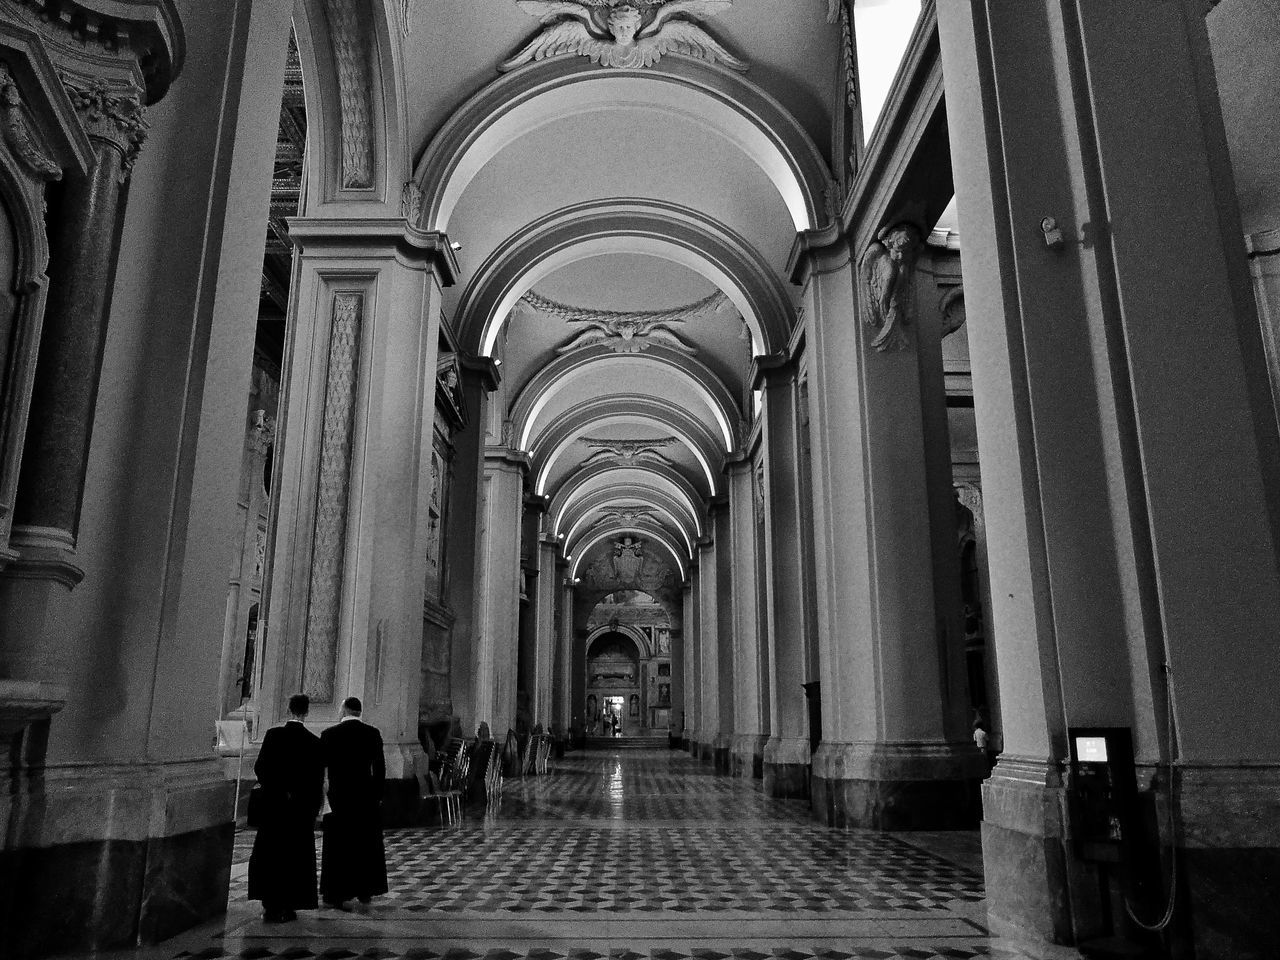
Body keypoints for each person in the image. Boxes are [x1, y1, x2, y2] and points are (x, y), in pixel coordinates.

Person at [247, 693, 324, 923]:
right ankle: (289, 905)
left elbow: (260, 767)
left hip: (274, 808)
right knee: (295, 857)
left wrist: (277, 790)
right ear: (307, 712)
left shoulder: (273, 735)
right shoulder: (314, 742)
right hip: (299, 811)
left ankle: (269, 903)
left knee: (270, 855)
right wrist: (306, 802)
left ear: (289, 710)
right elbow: (316, 780)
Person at [320, 696, 388, 911]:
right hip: (365, 796)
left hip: (339, 796)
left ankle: (336, 893)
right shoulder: (372, 733)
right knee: (365, 845)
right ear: (359, 712)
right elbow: (380, 769)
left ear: (343, 710)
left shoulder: (329, 735)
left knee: (339, 846)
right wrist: (376, 795)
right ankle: (365, 890)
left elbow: (322, 768)